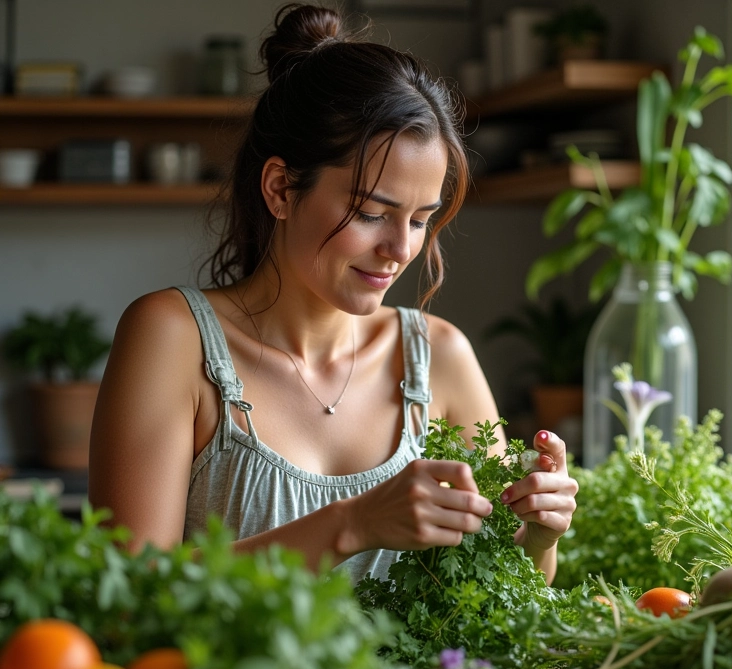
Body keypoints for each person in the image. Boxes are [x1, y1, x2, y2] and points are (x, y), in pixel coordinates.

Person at [89, 3, 578, 586]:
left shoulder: (440, 358)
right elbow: (129, 592)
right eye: (372, 212)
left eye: (421, 219)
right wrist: (350, 525)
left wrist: (541, 533)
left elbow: (509, 595)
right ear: (280, 189)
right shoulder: (173, 338)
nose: (400, 248)